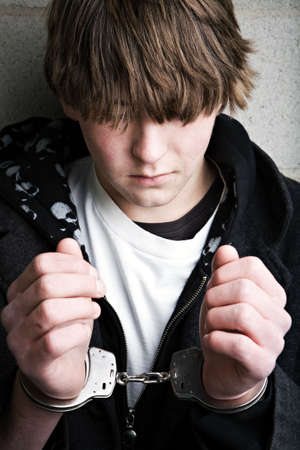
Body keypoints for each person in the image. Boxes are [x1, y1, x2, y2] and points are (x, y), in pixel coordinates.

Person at [0, 0, 299, 449]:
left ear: (220, 90)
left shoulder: (294, 230)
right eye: (116, 111)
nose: (149, 152)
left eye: (177, 110)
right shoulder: (7, 222)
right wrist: (39, 398)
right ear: (71, 96)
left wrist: (243, 399)